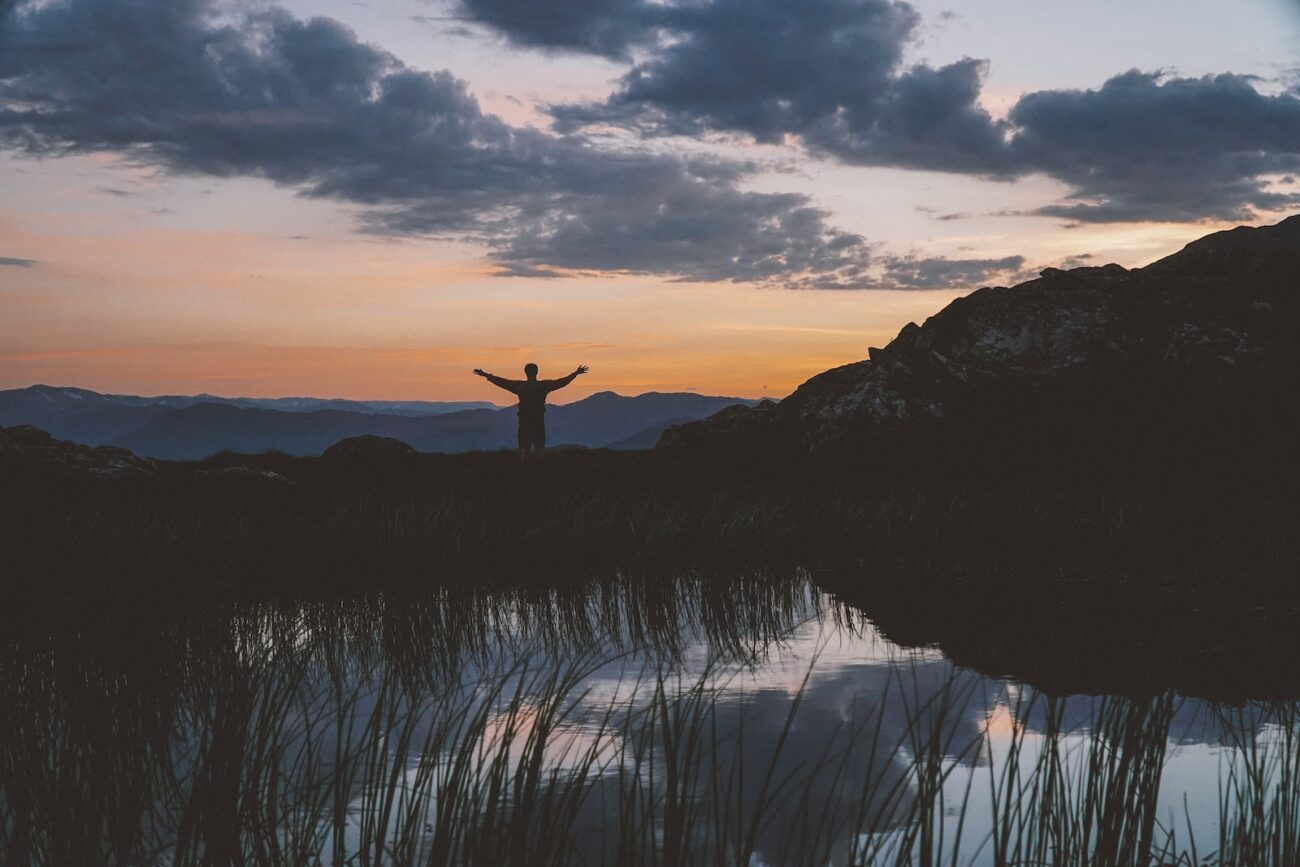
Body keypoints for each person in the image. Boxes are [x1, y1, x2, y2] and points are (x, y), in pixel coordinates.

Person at [474, 363, 588, 460]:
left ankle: (525, 471)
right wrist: (575, 374)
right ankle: (539, 471)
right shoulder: (543, 386)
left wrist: (486, 375)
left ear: (525, 372)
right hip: (538, 420)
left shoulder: (519, 386)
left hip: (524, 420)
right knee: (539, 445)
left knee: (524, 447)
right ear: (537, 372)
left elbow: (502, 382)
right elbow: (561, 382)